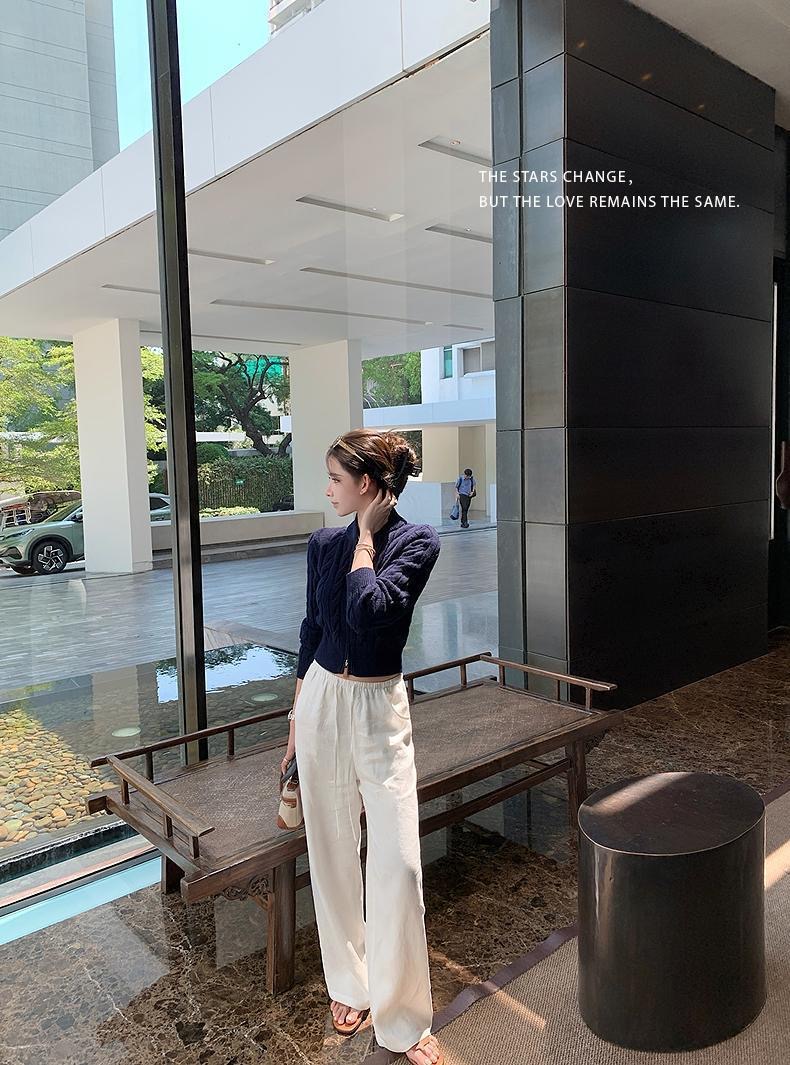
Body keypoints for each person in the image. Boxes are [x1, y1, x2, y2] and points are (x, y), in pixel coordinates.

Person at [281, 428, 444, 1065]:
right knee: (331, 849)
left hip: (379, 706)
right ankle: (349, 984)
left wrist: (368, 540)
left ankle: (403, 1017)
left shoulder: (416, 542)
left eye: (336, 479)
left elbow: (371, 611)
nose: (327, 491)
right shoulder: (323, 544)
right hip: (322, 699)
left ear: (368, 485)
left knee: (399, 861)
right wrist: (294, 721)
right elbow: (313, 630)